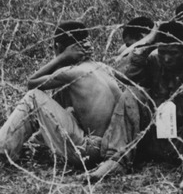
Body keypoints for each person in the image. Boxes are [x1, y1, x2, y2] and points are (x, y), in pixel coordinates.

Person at [84, 21, 183, 194]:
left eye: (173, 53)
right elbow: (122, 74)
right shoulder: (154, 62)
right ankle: (116, 160)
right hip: (154, 140)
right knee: (132, 93)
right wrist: (149, 41)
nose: (166, 58)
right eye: (163, 51)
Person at [0, 22, 121, 168]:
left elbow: (31, 83)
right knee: (66, 104)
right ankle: (37, 141)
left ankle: (2, 151)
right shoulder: (103, 68)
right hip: (112, 147)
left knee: (33, 97)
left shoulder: (72, 73)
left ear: (59, 47)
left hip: (88, 151)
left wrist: (61, 57)